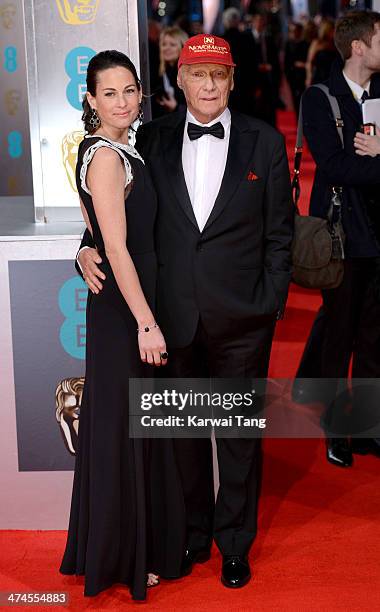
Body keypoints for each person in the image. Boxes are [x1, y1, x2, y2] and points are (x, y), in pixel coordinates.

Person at [78, 35, 294, 589]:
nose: (207, 86)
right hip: (173, 316)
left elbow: (280, 234)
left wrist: (268, 302)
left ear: (232, 80)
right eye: (196, 75)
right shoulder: (149, 137)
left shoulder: (264, 142)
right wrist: (84, 245)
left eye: (217, 77)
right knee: (185, 436)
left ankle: (234, 545)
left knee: (238, 438)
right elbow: (117, 210)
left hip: (241, 318)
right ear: (181, 80)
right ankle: (195, 532)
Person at [59, 50, 186, 601]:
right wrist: (146, 324)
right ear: (90, 100)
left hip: (126, 304)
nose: (123, 101)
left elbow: (94, 233)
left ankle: (124, 548)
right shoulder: (107, 156)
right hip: (126, 313)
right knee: (126, 429)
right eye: (109, 93)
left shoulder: (119, 147)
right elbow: (115, 244)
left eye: (130, 90)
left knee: (130, 428)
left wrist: (80, 251)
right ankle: (125, 558)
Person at [293, 11, 380, 467]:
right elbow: (336, 167)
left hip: (378, 236)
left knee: (374, 340)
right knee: (339, 336)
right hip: (340, 236)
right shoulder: (319, 98)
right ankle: (335, 430)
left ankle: (365, 427)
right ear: (359, 46)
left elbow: (354, 167)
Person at [151, 25, 188, 118]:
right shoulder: (162, 71)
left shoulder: (188, 74)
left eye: (172, 45)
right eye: (164, 44)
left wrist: (176, 107)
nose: (166, 48)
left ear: (183, 47)